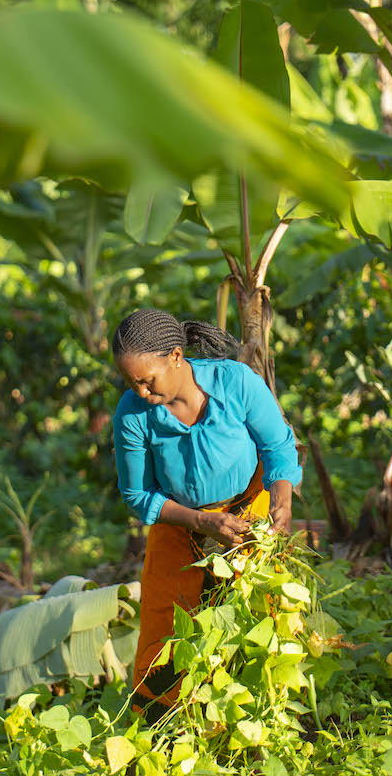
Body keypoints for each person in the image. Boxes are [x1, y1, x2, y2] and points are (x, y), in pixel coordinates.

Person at [110, 308, 301, 721]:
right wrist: (200, 521)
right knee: (165, 626)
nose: (141, 392)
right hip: (179, 524)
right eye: (131, 383)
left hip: (249, 517)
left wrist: (281, 503)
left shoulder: (235, 383)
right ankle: (161, 727)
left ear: (176, 356)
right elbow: (138, 494)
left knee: (256, 619)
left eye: (147, 380)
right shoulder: (132, 415)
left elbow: (279, 447)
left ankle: (255, 717)